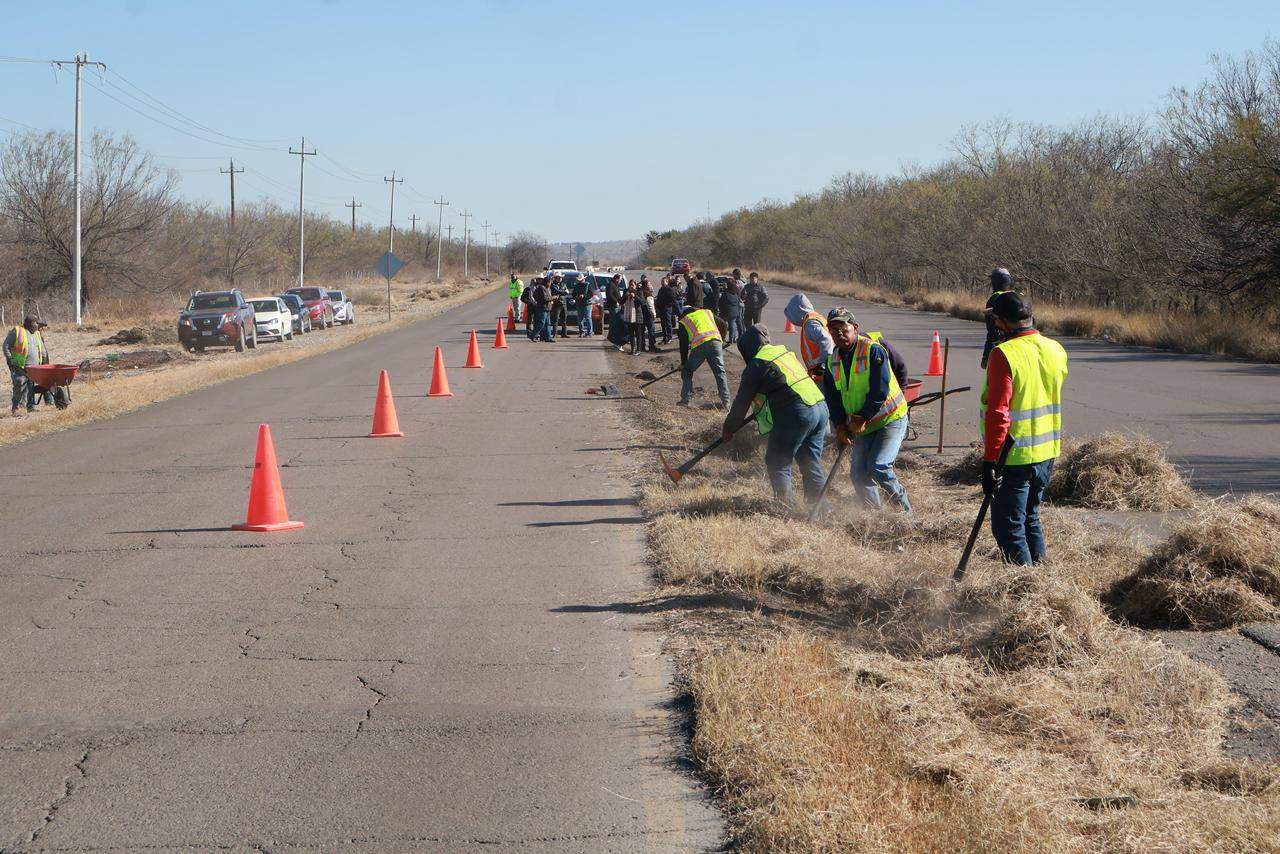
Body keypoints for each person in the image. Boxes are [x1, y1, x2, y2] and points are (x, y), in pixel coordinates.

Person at [981, 292, 1069, 566]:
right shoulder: (1055, 349)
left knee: (1008, 526)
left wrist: (990, 460)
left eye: (996, 319)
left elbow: (999, 413)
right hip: (1046, 452)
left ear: (1002, 322)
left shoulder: (1004, 354)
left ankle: (1026, 586)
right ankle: (1044, 581)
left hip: (1014, 455)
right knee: (1030, 517)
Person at [722, 324, 828, 510]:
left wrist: (728, 429)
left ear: (747, 349)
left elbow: (741, 404)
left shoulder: (757, 364)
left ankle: (786, 510)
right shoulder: (784, 353)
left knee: (778, 461)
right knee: (809, 460)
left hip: (799, 411)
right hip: (820, 408)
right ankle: (819, 510)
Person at [822, 307, 911, 512]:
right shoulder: (832, 361)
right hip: (861, 424)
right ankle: (875, 515)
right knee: (859, 475)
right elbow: (833, 398)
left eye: (843, 327)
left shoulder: (873, 351)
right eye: (833, 330)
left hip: (890, 418)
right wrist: (839, 426)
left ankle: (906, 513)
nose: (839, 333)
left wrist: (862, 417)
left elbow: (880, 390)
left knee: (879, 467)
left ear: (855, 327)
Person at [677, 304, 730, 408]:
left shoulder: (684, 321)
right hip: (716, 342)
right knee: (720, 372)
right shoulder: (707, 312)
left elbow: (683, 345)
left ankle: (685, 400)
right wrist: (721, 341)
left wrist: (683, 363)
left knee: (687, 371)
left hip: (700, 345)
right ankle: (726, 401)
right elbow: (724, 324)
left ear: (684, 313)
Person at [783, 293, 834, 378]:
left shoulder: (810, 324)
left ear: (798, 311)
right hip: (822, 371)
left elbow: (826, 341)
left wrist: (823, 365)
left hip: (821, 373)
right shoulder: (815, 317)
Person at [3, 316, 45, 416]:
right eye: (36, 323)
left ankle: (31, 406)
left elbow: (42, 349)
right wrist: (10, 359)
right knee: (19, 386)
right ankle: (16, 409)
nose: (37, 325)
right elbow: (6, 346)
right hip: (19, 366)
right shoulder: (17, 331)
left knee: (30, 387)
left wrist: (43, 361)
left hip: (34, 368)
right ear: (30, 323)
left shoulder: (37, 333)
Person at [981, 267, 1017, 369]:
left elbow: (992, 327)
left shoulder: (995, 298)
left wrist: (988, 353)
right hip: (1015, 343)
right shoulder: (1014, 297)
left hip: (997, 342)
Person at [718, 278, 744, 344]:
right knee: (733, 326)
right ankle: (733, 338)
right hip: (735, 311)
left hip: (727, 312)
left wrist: (721, 310)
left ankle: (726, 339)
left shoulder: (725, 293)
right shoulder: (735, 292)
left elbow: (721, 303)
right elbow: (738, 301)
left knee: (724, 325)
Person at [531, 278, 554, 342]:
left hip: (547, 308)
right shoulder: (542, 288)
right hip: (542, 308)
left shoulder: (546, 288)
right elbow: (545, 298)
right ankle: (533, 335)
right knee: (541, 323)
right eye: (550, 282)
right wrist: (552, 298)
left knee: (548, 324)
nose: (550, 284)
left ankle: (548, 337)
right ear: (547, 282)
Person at [656, 276, 676, 344]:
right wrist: (658, 306)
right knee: (663, 324)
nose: (662, 283)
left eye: (663, 282)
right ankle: (664, 338)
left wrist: (667, 305)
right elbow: (658, 298)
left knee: (668, 323)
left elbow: (673, 299)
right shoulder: (661, 289)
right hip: (661, 309)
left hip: (667, 309)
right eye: (661, 282)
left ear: (666, 282)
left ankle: (669, 337)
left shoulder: (669, 289)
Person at [641, 281, 658, 352]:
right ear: (647, 286)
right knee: (651, 331)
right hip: (648, 315)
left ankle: (642, 347)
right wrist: (654, 315)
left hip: (642, 314)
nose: (651, 285)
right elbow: (650, 306)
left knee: (642, 331)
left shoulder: (640, 292)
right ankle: (652, 346)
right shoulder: (648, 294)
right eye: (649, 284)